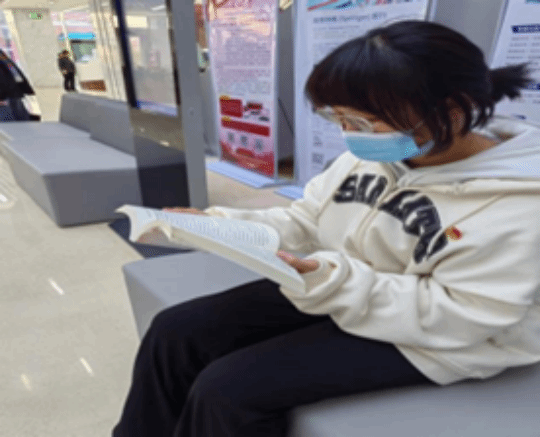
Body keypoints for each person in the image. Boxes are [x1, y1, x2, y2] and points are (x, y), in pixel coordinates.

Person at [113, 20, 540, 437]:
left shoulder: (521, 202)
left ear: (452, 111)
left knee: (226, 390)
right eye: (339, 118)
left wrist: (333, 281)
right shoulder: (373, 156)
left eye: (366, 123)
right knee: (175, 331)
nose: (350, 135)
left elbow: (463, 314)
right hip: (346, 287)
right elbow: (306, 220)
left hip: (445, 338)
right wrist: (219, 226)